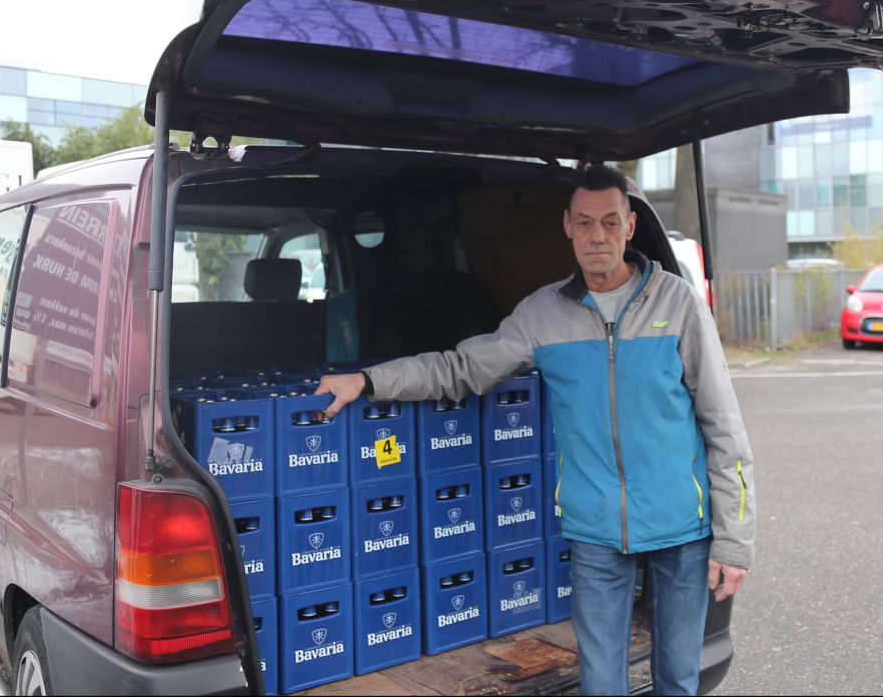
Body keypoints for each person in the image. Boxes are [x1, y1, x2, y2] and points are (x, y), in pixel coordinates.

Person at [316, 164, 755, 696]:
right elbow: (460, 369)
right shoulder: (543, 314)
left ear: (630, 227)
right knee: (600, 684)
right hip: (595, 532)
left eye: (611, 222)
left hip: (683, 528)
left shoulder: (677, 303)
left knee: (679, 680)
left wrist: (733, 542)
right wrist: (367, 380)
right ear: (567, 227)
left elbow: (724, 426)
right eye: (586, 222)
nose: (598, 235)